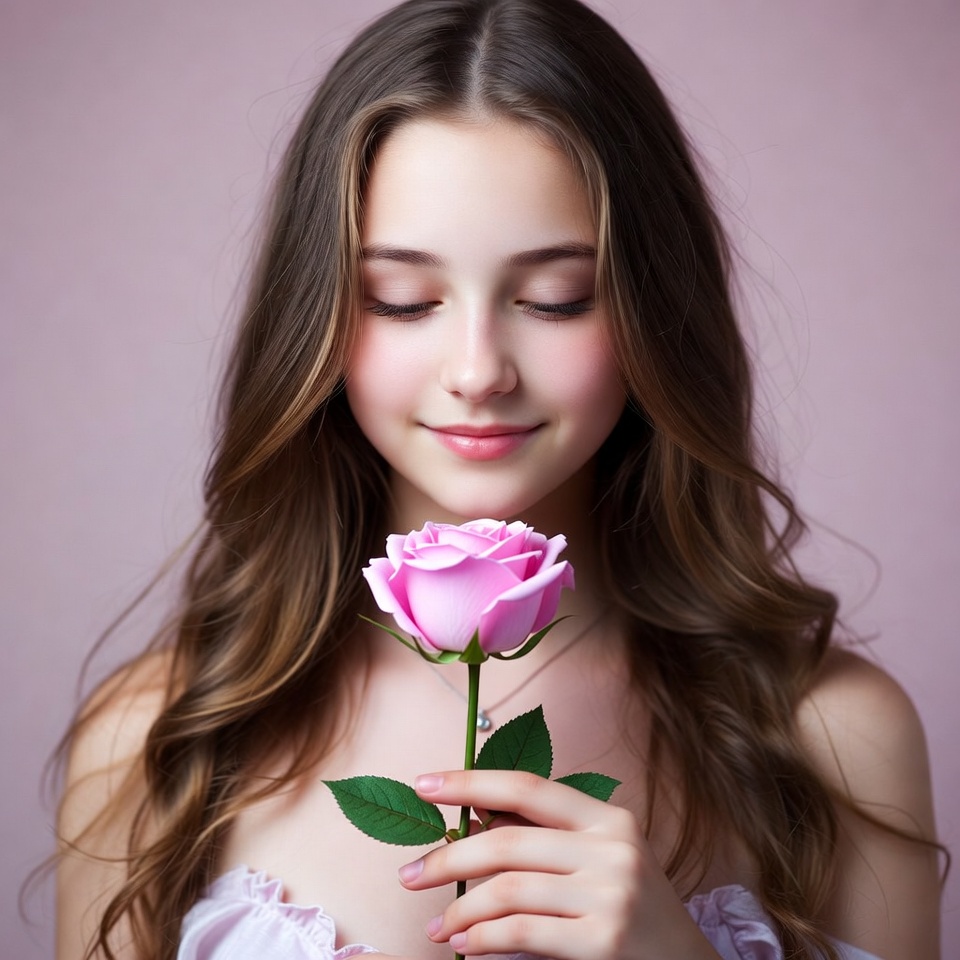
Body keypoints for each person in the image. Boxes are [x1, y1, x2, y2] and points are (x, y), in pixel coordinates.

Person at [54, 1, 942, 958]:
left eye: (556, 299)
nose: (478, 371)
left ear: (654, 308)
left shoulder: (836, 737)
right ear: (318, 316)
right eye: (402, 300)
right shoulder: (159, 738)